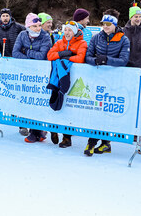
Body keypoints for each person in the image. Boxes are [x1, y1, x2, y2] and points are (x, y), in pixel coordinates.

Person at [83, 10, 129, 156]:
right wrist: (96, 60)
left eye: (108, 24)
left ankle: (105, 143)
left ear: (115, 24)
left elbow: (124, 60)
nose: (105, 26)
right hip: (98, 80)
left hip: (115, 82)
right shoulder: (96, 38)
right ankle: (92, 143)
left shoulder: (123, 39)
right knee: (96, 112)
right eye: (103, 23)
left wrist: (107, 60)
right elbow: (87, 57)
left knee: (108, 113)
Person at [13, 13, 53, 143]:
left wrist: (26, 51)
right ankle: (35, 130)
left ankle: (37, 131)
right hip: (26, 73)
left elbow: (42, 56)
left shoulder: (45, 36)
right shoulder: (22, 35)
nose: (38, 28)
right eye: (35, 26)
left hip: (40, 73)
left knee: (38, 101)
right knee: (27, 101)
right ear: (28, 27)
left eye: (39, 25)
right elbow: (15, 52)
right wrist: (29, 59)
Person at [47, 21, 88, 148]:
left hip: (74, 80)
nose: (67, 32)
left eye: (70, 30)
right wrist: (62, 54)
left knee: (69, 109)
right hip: (59, 78)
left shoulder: (82, 43)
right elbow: (50, 55)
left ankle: (67, 138)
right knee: (56, 103)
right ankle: (54, 129)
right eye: (65, 30)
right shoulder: (60, 42)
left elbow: (81, 58)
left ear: (75, 32)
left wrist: (67, 58)